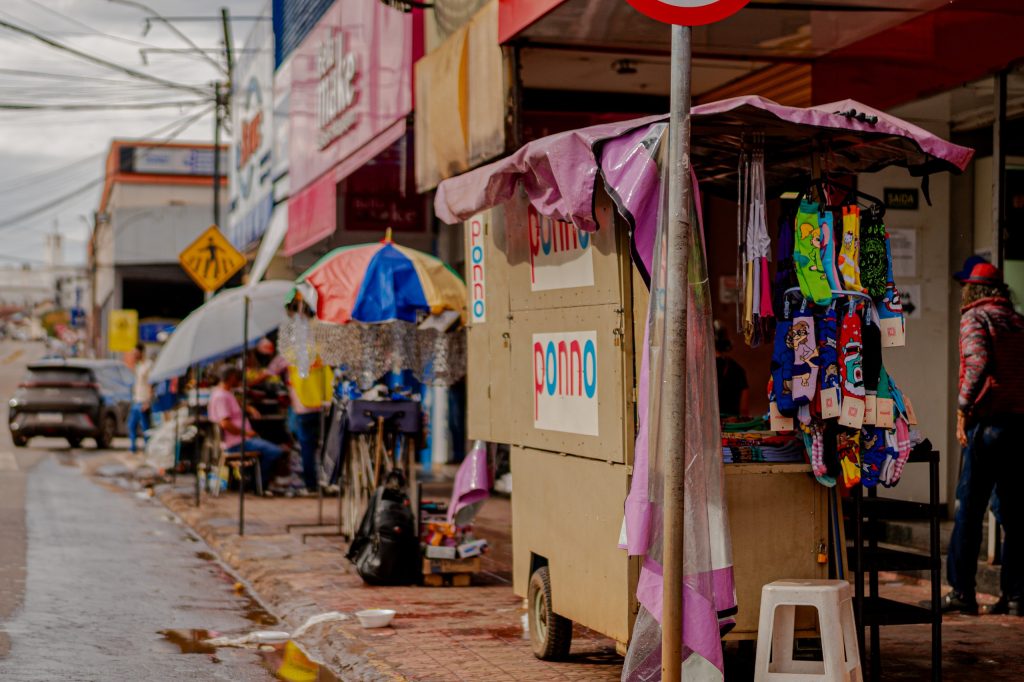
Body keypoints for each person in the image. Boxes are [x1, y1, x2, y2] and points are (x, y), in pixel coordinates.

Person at [944, 259, 1024, 615]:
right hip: (1019, 427)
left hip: (988, 425)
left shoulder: (975, 317)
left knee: (969, 509)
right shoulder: (1017, 321)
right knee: (1016, 514)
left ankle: (962, 592)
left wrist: (962, 408)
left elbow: (977, 363)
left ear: (973, 290)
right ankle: (1017, 596)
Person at [208, 365, 284, 495]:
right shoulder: (221, 396)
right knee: (275, 451)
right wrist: (246, 433)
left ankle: (255, 482)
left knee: (269, 446)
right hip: (236, 443)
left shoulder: (225, 393)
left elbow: (236, 403)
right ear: (231, 377)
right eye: (237, 377)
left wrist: (248, 408)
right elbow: (225, 423)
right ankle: (259, 484)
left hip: (241, 439)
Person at [288, 358, 334, 494]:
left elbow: (291, 382)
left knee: (307, 448)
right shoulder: (322, 354)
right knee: (327, 446)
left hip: (304, 407)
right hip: (324, 406)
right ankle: (328, 481)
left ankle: (311, 485)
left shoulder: (292, 353)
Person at [714, 321, 749, 417]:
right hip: (732, 426)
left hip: (707, 426)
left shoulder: (699, 371)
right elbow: (744, 409)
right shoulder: (738, 369)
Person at [127, 343, 152, 454]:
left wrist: (148, 402)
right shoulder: (138, 366)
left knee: (145, 428)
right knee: (131, 425)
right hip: (136, 400)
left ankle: (148, 449)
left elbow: (151, 384)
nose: (134, 355)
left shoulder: (148, 365)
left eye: (136, 353)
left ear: (141, 353)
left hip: (143, 401)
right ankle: (133, 448)